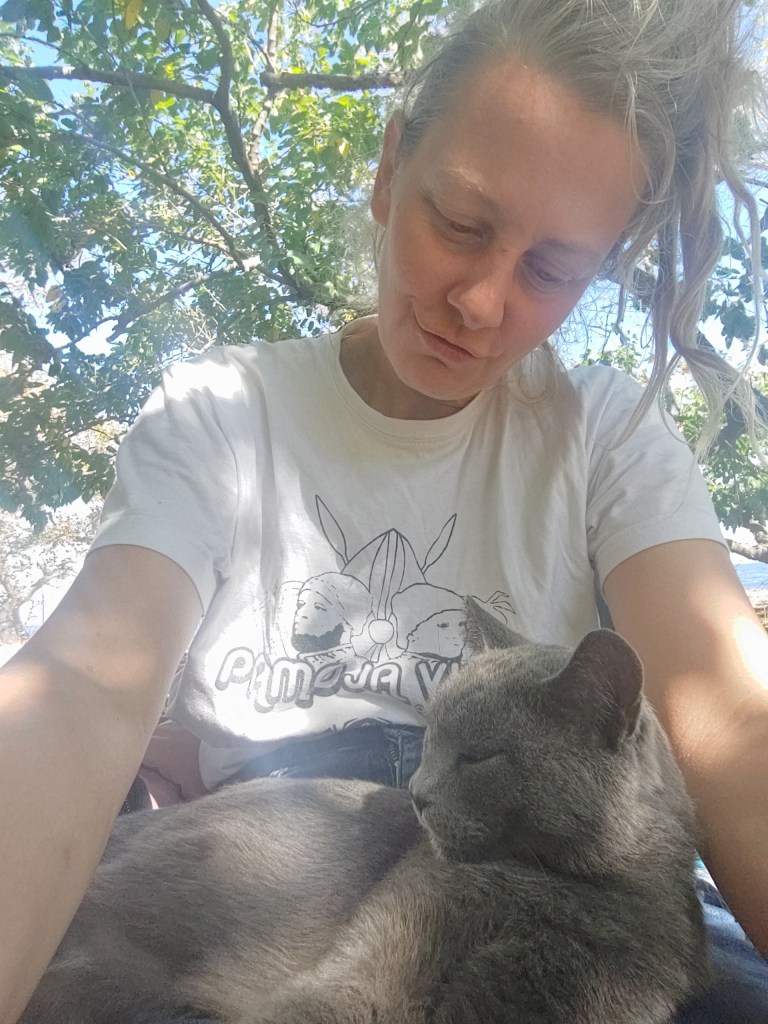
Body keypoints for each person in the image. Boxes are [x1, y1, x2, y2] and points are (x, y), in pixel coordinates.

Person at [2, 0, 768, 1020]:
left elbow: (731, 719)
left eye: (552, 271)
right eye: (461, 223)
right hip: (272, 882)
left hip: (546, 884)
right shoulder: (226, 409)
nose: (482, 301)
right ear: (389, 168)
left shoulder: (606, 432)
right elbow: (84, 690)